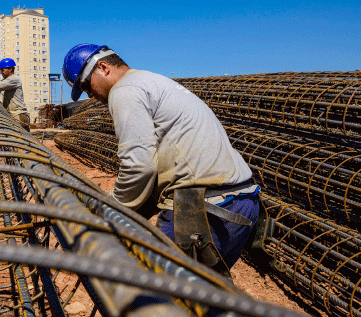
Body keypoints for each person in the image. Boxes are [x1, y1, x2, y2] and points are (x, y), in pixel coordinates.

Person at [62, 43, 259, 278]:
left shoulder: (125, 90)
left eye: (87, 86)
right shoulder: (152, 81)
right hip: (243, 201)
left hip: (203, 210)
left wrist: (110, 210)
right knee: (205, 294)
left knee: (160, 294)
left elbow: (138, 166)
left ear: (103, 67)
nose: (90, 96)